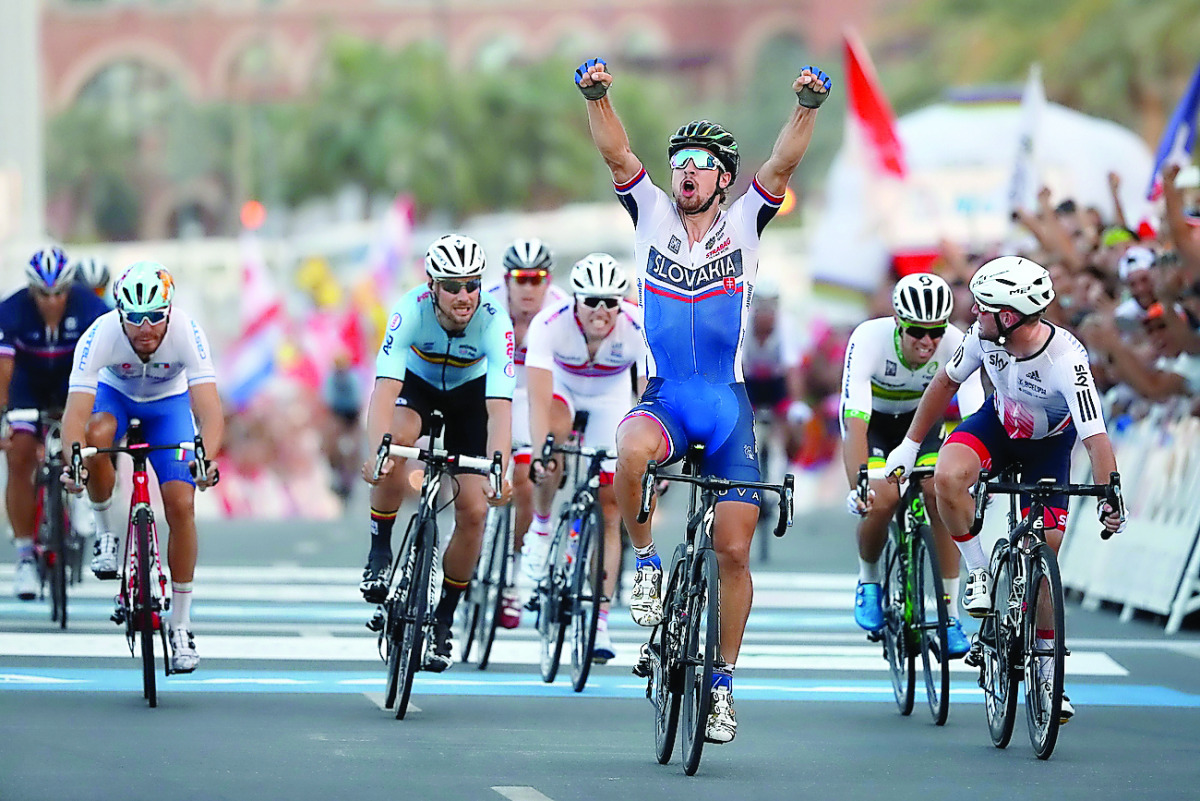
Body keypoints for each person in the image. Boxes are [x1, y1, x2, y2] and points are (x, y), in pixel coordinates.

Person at [575, 55, 831, 743]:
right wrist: (598, 96)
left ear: (722, 176)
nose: (685, 170)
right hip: (666, 397)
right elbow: (617, 150)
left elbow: (781, 164)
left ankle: (721, 684)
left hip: (726, 406)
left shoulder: (747, 220)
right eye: (679, 159)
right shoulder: (650, 210)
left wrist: (805, 107)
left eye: (700, 161)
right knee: (628, 452)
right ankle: (648, 564)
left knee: (734, 551)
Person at [885, 256, 1126, 723]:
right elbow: (943, 383)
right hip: (996, 425)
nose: (972, 311)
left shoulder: (1067, 360)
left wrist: (1109, 495)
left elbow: (1095, 435)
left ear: (1010, 317)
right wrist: (911, 446)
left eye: (983, 306)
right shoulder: (982, 336)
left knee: (1045, 559)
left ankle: (1047, 674)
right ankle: (977, 571)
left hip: (1048, 448)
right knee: (947, 479)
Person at [360, 234, 514, 672]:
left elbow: (499, 409)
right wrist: (377, 452)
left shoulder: (494, 322)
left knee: (474, 511)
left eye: (472, 284)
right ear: (432, 286)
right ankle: (379, 550)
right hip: (418, 387)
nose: (464, 296)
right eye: (452, 286)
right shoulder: (408, 310)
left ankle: (445, 618)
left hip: (471, 396)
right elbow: (385, 391)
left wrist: (497, 469)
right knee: (395, 446)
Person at [61, 261, 223, 674]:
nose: (145, 327)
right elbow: (75, 416)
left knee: (182, 505)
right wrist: (74, 465)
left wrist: (205, 460)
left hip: (168, 406)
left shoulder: (187, 331)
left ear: (169, 311)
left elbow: (210, 412)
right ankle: (104, 534)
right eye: (134, 318)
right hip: (114, 399)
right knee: (96, 438)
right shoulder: (98, 336)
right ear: (119, 314)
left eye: (154, 317)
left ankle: (182, 624)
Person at [840, 272, 984, 657]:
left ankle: (950, 615)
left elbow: (974, 414)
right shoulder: (869, 339)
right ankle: (868, 580)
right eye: (917, 331)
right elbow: (853, 420)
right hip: (875, 426)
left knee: (941, 495)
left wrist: (977, 475)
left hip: (922, 427)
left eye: (935, 331)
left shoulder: (957, 343)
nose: (927, 341)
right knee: (883, 498)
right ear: (899, 323)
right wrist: (859, 484)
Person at [524, 253, 647, 662]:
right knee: (552, 445)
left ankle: (599, 621)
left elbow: (648, 399)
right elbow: (539, 400)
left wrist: (652, 461)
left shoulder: (636, 327)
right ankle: (541, 531)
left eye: (610, 301)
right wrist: (541, 449)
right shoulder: (549, 324)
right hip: (563, 389)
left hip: (611, 394)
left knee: (611, 508)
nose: (601, 310)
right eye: (591, 300)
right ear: (574, 299)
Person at [0, 247, 109, 600]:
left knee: (83, 440)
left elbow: (108, 365)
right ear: (32, 291)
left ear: (70, 288)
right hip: (27, 385)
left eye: (59, 293)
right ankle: (25, 557)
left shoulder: (91, 308)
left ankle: (80, 498)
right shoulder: (11, 311)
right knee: (18, 456)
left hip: (71, 383)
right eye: (43, 294)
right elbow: (3, 372)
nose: (52, 301)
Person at [483, 237, 568, 628]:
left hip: (537, 389)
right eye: (522, 279)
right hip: (495, 387)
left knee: (528, 476)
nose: (530, 287)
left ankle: (515, 572)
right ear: (507, 280)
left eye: (538, 279)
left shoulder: (561, 308)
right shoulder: (486, 302)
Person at [322, 350, 363, 501]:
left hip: (352, 414)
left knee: (353, 447)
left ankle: (351, 476)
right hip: (337, 412)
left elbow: (358, 404)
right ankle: (333, 470)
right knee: (330, 441)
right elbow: (328, 401)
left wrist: (353, 431)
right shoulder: (331, 379)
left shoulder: (353, 378)